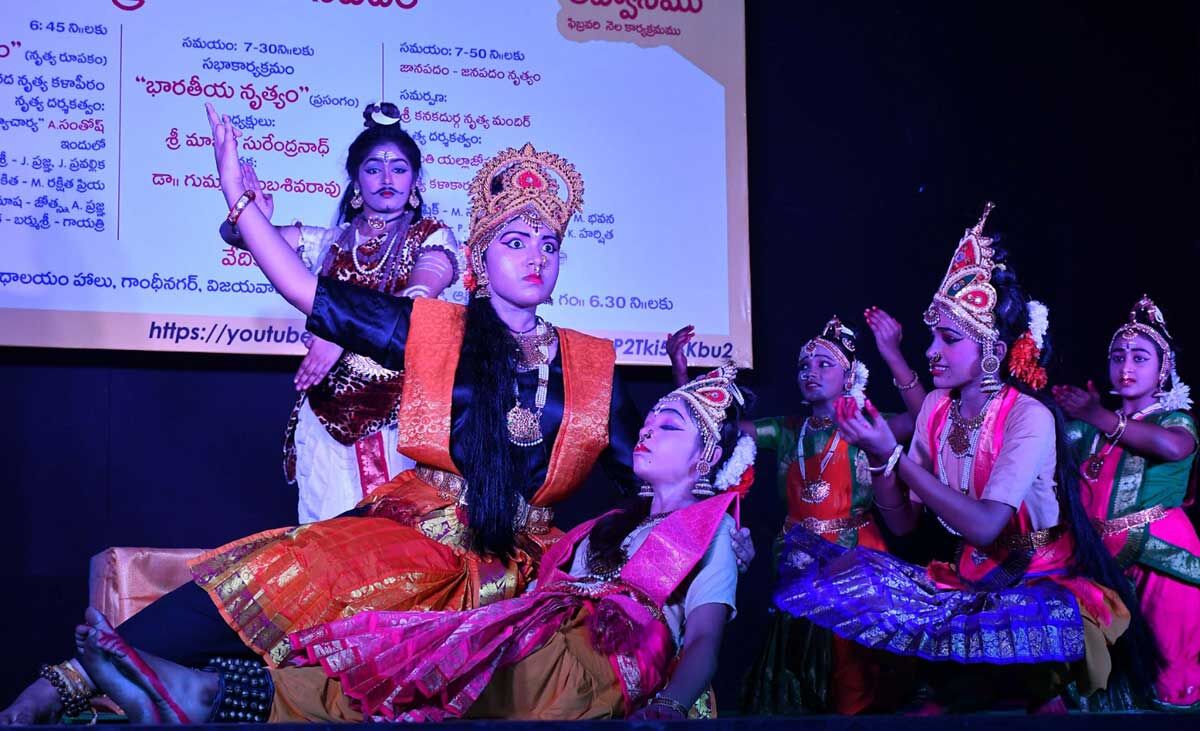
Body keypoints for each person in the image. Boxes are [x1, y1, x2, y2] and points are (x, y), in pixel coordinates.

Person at [0, 108, 754, 725]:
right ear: (479, 259)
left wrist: (721, 513)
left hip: (524, 568)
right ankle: (65, 682)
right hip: (422, 530)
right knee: (279, 568)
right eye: (515, 241)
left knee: (383, 677)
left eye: (548, 244)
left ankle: (184, 695)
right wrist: (239, 199)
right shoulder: (438, 331)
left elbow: (658, 469)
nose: (534, 256)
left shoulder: (591, 364)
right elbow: (308, 291)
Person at [66, 366, 754, 723]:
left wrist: (668, 707)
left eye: (669, 424)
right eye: (654, 418)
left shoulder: (711, 532)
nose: (649, 430)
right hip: (531, 630)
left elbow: (702, 640)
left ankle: (201, 695)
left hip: (592, 662)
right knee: (397, 655)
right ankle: (215, 694)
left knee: (447, 678)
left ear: (704, 459)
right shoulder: (601, 526)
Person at [774, 204, 1159, 711]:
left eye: (948, 339)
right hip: (970, 576)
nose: (931, 350)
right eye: (933, 335)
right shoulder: (936, 408)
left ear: (993, 349)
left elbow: (984, 526)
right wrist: (877, 458)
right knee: (849, 581)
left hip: (1036, 578)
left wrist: (894, 457)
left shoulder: (1029, 417)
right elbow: (904, 523)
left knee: (1031, 701)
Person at [222, 101, 460, 522]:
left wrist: (338, 338)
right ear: (355, 181)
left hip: (395, 423)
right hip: (323, 417)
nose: (387, 179)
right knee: (323, 543)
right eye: (373, 169)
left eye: (399, 169)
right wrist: (248, 210)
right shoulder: (329, 241)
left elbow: (415, 304)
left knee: (386, 553)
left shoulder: (432, 236)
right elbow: (241, 239)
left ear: (416, 180)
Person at [1054, 295, 1198, 710]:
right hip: (1099, 562)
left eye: (1139, 357)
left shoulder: (1174, 420)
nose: (1126, 367)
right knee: (1105, 685)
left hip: (1162, 560)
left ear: (1163, 369)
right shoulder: (1087, 429)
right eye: (1118, 356)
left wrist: (1100, 416)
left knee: (1169, 683)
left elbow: (1172, 448)